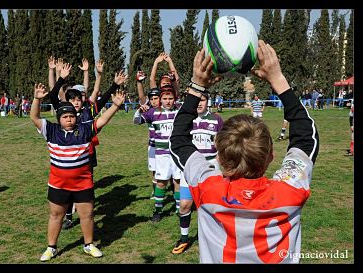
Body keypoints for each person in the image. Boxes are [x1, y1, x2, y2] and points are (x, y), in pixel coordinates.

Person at [169, 42, 319, 263]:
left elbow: (179, 140)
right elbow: (306, 138)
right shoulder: (290, 190)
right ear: (270, 157)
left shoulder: (207, 188)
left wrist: (196, 87)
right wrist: (278, 80)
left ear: (218, 157)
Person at [30, 83, 125, 261]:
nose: (69, 119)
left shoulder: (84, 130)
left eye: (72, 116)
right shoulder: (50, 131)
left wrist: (115, 106)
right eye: (65, 116)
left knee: (87, 215)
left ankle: (88, 245)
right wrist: (37, 99)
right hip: (58, 184)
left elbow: (102, 121)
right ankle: (51, 247)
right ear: (59, 118)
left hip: (83, 183)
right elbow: (34, 117)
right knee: (56, 215)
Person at [172, 91, 223, 254]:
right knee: (184, 205)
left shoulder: (216, 119)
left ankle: (214, 238)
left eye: (203, 100)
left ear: (208, 101)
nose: (200, 103)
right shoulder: (187, 119)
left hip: (211, 168)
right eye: (198, 100)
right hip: (190, 167)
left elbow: (222, 143)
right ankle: (184, 238)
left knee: (210, 206)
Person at [134, 84, 182, 222]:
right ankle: (158, 210)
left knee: (178, 181)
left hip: (177, 153)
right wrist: (138, 111)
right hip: (162, 154)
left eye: (170, 98)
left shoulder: (179, 112)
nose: (168, 101)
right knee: (161, 182)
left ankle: (179, 210)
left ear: (175, 99)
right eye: (165, 98)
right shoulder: (153, 112)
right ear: (160, 99)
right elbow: (136, 121)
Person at [135, 70, 161, 199]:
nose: (154, 101)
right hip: (153, 145)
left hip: (167, 145)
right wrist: (139, 82)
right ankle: (155, 191)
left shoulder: (168, 110)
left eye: (157, 98)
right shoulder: (149, 111)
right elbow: (141, 98)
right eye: (152, 99)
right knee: (155, 170)